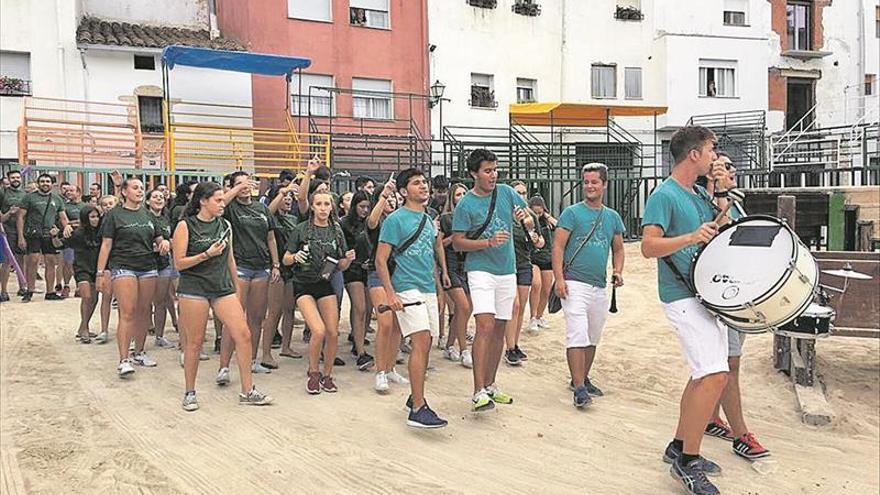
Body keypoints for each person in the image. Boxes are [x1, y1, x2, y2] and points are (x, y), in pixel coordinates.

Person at [641, 126, 729, 495]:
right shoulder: (664, 194)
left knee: (702, 375)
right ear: (694, 154)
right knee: (714, 376)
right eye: (711, 150)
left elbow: (716, 230)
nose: (714, 157)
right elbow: (648, 246)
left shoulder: (696, 194)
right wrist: (690, 238)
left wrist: (721, 194)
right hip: (681, 295)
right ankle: (688, 462)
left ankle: (679, 445)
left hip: (701, 294)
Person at [173, 181, 273, 411]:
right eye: (218, 200)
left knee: (243, 334)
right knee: (195, 342)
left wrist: (236, 288)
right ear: (203, 201)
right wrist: (206, 254)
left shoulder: (225, 225)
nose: (222, 204)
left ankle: (247, 390)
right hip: (194, 288)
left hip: (222, 287)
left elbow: (230, 259)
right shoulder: (185, 226)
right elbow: (179, 263)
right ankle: (190, 391)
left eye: (222, 200)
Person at [699, 153, 770, 461]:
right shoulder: (713, 199)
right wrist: (717, 189)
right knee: (730, 364)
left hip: (738, 292)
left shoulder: (735, 201)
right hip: (723, 294)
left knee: (725, 361)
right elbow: (718, 231)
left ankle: (712, 416)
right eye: (725, 166)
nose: (732, 170)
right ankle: (742, 435)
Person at [451, 149, 531, 412]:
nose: (493, 175)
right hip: (480, 269)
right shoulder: (466, 204)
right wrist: (487, 242)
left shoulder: (507, 192)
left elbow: (529, 219)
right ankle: (477, 390)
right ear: (474, 173)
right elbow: (459, 242)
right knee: (484, 324)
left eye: (495, 170)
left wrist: (525, 220)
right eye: (487, 170)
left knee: (499, 327)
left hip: (507, 270)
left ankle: (491, 384)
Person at [376, 168, 448, 428]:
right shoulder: (395, 220)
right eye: (417, 183)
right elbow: (380, 260)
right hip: (406, 287)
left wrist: (439, 289)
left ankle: (414, 396)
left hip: (427, 287)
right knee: (419, 342)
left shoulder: (429, 220)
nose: (424, 186)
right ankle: (418, 408)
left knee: (427, 343)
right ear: (404, 191)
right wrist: (390, 293)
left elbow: (431, 258)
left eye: (424, 182)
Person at [552, 163, 625, 408]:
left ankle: (582, 378)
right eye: (586, 182)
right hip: (574, 284)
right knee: (577, 333)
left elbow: (618, 248)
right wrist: (559, 280)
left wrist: (617, 271)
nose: (590, 186)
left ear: (604, 184)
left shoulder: (612, 217)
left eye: (594, 182)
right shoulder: (571, 213)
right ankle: (580, 388)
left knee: (593, 336)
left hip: (599, 286)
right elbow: (558, 247)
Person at [283, 190, 355, 394]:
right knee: (319, 330)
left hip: (325, 283)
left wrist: (348, 259)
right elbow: (285, 258)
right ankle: (313, 372)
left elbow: (341, 265)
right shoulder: (301, 229)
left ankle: (327, 375)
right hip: (303, 283)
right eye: (319, 204)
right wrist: (295, 256)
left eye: (326, 204)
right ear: (312, 207)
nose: (323, 208)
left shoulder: (336, 230)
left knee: (333, 332)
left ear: (332, 207)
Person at [96, 178, 170, 377]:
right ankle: (123, 359)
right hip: (123, 266)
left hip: (148, 267)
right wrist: (100, 273)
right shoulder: (114, 215)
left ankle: (139, 352)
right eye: (135, 188)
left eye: (141, 188)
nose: (139, 191)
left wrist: (164, 244)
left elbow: (159, 238)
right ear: (124, 192)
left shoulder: (148, 215)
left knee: (145, 311)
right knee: (127, 312)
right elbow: (106, 245)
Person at [217, 171, 281, 380]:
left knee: (256, 317)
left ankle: (252, 360)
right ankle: (224, 366)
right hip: (240, 267)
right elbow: (220, 203)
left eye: (248, 182)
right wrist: (235, 189)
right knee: (233, 318)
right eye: (240, 183)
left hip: (261, 267)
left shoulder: (261, 208)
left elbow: (270, 237)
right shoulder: (231, 208)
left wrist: (276, 264)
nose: (246, 186)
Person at [367, 180, 410, 392]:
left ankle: (391, 368)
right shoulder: (377, 223)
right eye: (387, 198)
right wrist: (383, 194)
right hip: (377, 274)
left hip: (399, 275)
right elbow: (372, 221)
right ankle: (380, 371)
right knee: (384, 323)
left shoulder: (401, 220)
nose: (391, 200)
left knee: (397, 326)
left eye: (394, 197)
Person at [260, 183, 301, 367]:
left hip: (291, 268)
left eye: (290, 196)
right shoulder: (269, 218)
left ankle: (286, 347)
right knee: (274, 311)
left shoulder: (292, 219)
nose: (288, 199)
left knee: (289, 309)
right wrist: (283, 191)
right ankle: (266, 353)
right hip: (274, 267)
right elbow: (268, 212)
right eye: (284, 196)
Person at [504, 181, 544, 366]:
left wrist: (535, 238)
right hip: (507, 265)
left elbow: (540, 241)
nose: (521, 196)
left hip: (524, 263)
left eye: (523, 193)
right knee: (515, 306)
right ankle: (509, 347)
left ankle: (515, 344)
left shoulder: (530, 217)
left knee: (521, 306)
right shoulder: (504, 215)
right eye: (517, 192)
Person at [16, 173, 73, 302]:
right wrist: (21, 236)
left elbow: (63, 217)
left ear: (52, 184)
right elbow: (20, 217)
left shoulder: (57, 199)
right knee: (33, 261)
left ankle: (50, 292)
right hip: (33, 233)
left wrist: (67, 227)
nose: (45, 183)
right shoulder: (29, 197)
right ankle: (29, 291)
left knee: (51, 261)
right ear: (38, 183)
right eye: (42, 181)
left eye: (48, 181)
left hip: (49, 234)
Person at [340, 190, 376, 370]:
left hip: (367, 268)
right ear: (354, 206)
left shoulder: (370, 223)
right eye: (362, 206)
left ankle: (358, 340)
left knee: (367, 309)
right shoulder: (344, 224)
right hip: (352, 269)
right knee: (360, 308)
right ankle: (361, 352)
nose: (365, 210)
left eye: (368, 207)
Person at [438, 182, 472, 367]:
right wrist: (443, 270)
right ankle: (464, 349)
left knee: (464, 310)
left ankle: (450, 345)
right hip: (451, 266)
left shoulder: (472, 217)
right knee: (463, 307)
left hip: (467, 266)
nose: (462, 197)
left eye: (465, 193)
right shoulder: (446, 218)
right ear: (452, 198)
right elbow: (439, 245)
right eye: (458, 194)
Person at [65, 205, 102, 342]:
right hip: (82, 268)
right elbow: (60, 244)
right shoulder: (78, 233)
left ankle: (83, 326)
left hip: (97, 268)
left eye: (97, 216)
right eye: (92, 217)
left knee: (94, 298)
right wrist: (63, 229)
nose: (96, 219)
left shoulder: (102, 232)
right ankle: (84, 328)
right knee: (86, 297)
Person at [147, 189, 177, 349]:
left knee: (162, 301)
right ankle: (140, 332)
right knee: (144, 302)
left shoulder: (166, 219)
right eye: (155, 197)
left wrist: (168, 244)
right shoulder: (144, 217)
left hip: (164, 263)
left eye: (161, 197)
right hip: (146, 263)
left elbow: (171, 240)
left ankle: (159, 335)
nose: (159, 199)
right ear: (147, 201)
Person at [527, 195, 556, 331]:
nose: (537, 215)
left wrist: (547, 216)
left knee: (547, 289)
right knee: (536, 284)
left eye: (540, 212)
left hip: (547, 258)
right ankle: (532, 316)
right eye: (535, 213)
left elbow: (559, 226)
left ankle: (539, 316)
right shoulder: (528, 222)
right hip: (533, 258)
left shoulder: (546, 222)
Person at [94, 195, 118, 344]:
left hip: (123, 259)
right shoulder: (100, 222)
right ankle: (104, 329)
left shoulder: (122, 217)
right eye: (104, 205)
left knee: (123, 301)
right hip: (108, 261)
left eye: (111, 203)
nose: (108, 206)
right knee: (106, 297)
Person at [0, 169, 27, 301]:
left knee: (21, 259)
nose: (16, 179)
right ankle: (4, 291)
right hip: (7, 230)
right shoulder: (3, 192)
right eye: (13, 178)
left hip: (21, 231)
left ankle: (23, 287)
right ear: (9, 179)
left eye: (18, 177)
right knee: (6, 261)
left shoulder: (25, 194)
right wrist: (9, 213)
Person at [60, 185, 85, 298]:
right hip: (69, 238)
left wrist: (74, 223)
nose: (68, 192)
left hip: (83, 238)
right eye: (67, 190)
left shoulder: (85, 206)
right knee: (68, 262)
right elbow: (63, 221)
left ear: (78, 193)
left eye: (72, 190)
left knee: (80, 263)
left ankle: (79, 287)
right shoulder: (63, 206)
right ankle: (66, 285)